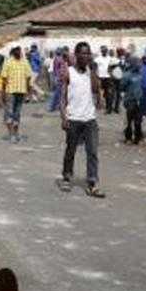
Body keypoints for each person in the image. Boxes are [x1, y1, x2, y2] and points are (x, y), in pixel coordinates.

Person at [59, 42, 105, 198]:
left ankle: (92, 182)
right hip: (73, 118)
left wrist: (92, 70)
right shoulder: (68, 72)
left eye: (88, 53)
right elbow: (62, 97)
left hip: (89, 119)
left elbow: (95, 89)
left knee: (92, 151)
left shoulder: (90, 72)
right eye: (83, 53)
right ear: (76, 55)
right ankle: (67, 176)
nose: (86, 56)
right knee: (71, 150)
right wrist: (64, 117)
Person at [1, 46, 32, 144]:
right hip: (10, 91)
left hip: (21, 90)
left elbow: (28, 76)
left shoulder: (24, 62)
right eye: (17, 51)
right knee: (10, 113)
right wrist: (3, 92)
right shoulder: (8, 62)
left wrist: (27, 89)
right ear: (13, 52)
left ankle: (16, 133)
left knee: (17, 113)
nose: (19, 52)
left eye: (20, 50)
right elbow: (4, 78)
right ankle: (11, 134)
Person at [121, 56, 143, 145]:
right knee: (129, 120)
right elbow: (122, 87)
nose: (139, 65)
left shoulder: (141, 74)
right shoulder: (127, 75)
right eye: (137, 63)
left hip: (140, 100)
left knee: (138, 121)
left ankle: (138, 137)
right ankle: (128, 137)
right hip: (130, 100)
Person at [94, 46, 112, 111]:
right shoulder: (98, 59)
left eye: (105, 51)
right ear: (101, 52)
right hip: (100, 77)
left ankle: (108, 106)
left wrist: (110, 73)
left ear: (107, 52)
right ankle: (99, 104)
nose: (104, 52)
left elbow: (110, 67)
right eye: (103, 51)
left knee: (108, 93)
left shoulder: (109, 58)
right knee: (99, 92)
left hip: (107, 77)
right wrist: (96, 73)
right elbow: (94, 65)